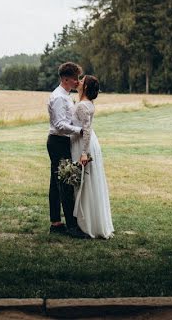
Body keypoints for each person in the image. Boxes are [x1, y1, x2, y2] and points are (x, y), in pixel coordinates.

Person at [47, 62, 89, 239]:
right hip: (58, 142)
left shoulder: (65, 96)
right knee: (64, 183)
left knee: (57, 182)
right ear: (65, 79)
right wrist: (79, 131)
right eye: (75, 78)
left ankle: (56, 223)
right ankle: (71, 227)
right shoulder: (58, 98)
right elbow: (59, 124)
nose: (77, 82)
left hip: (63, 141)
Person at [70, 75, 114, 239]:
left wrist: (84, 152)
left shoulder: (82, 105)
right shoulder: (86, 103)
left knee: (85, 182)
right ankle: (88, 219)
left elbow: (86, 130)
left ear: (86, 87)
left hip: (83, 144)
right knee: (86, 182)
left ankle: (86, 223)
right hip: (88, 142)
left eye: (82, 81)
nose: (78, 82)